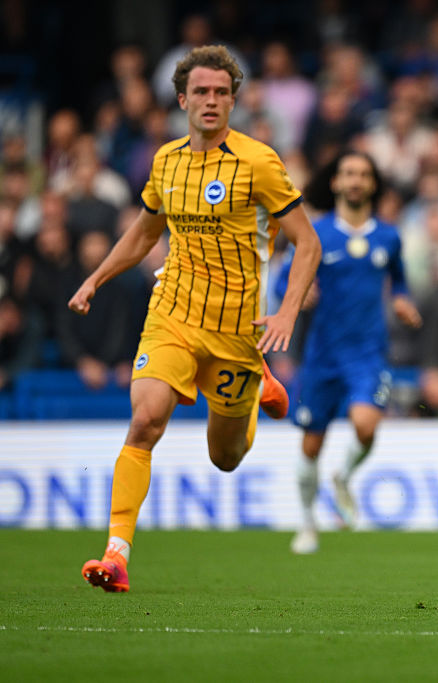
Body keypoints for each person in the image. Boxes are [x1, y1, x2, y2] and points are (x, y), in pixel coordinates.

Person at [68, 46, 321, 591]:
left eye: (221, 93)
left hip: (237, 332)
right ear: (182, 98)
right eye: (201, 92)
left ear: (234, 100)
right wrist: (96, 278)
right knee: (144, 421)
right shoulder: (166, 161)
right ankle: (116, 553)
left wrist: (287, 312)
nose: (211, 101)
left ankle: (257, 391)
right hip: (173, 315)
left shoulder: (259, 162)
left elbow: (307, 244)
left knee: (225, 457)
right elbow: (143, 233)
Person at [282, 151, 420, 554]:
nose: (356, 180)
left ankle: (342, 476)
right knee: (311, 444)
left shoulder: (388, 236)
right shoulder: (315, 233)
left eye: (363, 174)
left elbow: (400, 281)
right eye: (348, 174)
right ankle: (307, 524)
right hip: (322, 355)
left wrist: (402, 300)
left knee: (365, 425)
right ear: (337, 183)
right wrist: (300, 290)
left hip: (367, 353)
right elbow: (284, 285)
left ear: (373, 184)